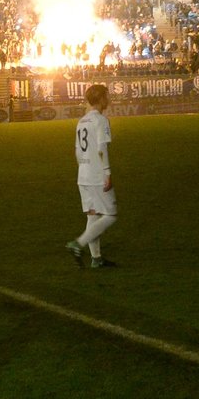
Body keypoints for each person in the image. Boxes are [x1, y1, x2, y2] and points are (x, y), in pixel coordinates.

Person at [65, 83, 117, 268]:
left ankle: (96, 259)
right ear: (101, 98)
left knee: (93, 215)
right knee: (110, 215)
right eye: (107, 95)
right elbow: (102, 148)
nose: (109, 99)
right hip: (96, 175)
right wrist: (106, 172)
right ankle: (77, 244)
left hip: (83, 174)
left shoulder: (82, 121)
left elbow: (78, 151)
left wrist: (83, 169)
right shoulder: (101, 120)